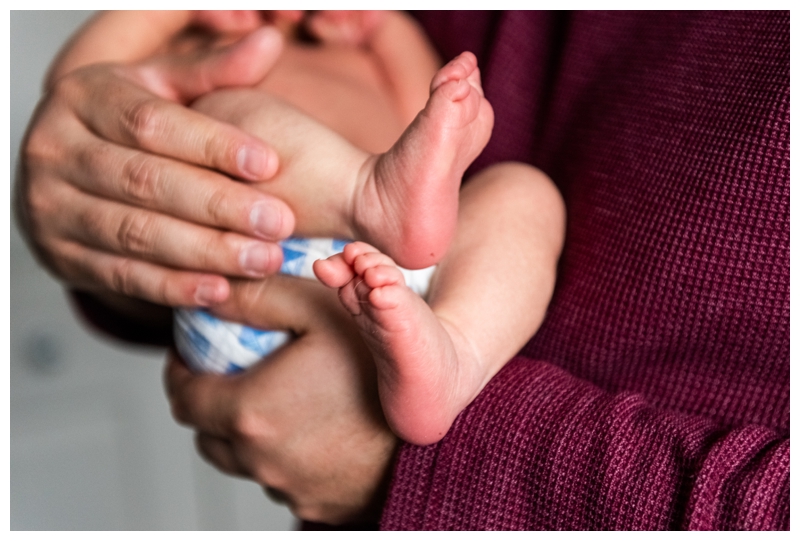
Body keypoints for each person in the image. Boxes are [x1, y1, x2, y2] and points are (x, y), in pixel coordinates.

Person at [16, 11, 788, 529]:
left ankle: (452, 353)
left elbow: (446, 108)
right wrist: (73, 179)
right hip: (268, 275)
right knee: (236, 111)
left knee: (521, 195)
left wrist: (472, 445)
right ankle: (377, 214)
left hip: (386, 310)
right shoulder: (247, 41)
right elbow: (95, 110)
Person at [52, 10, 565, 446]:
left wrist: (378, 26)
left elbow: (429, 116)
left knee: (523, 192)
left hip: (408, 300)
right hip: (252, 268)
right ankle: (363, 194)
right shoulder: (189, 45)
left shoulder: (360, 38)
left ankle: (457, 354)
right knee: (216, 116)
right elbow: (75, 96)